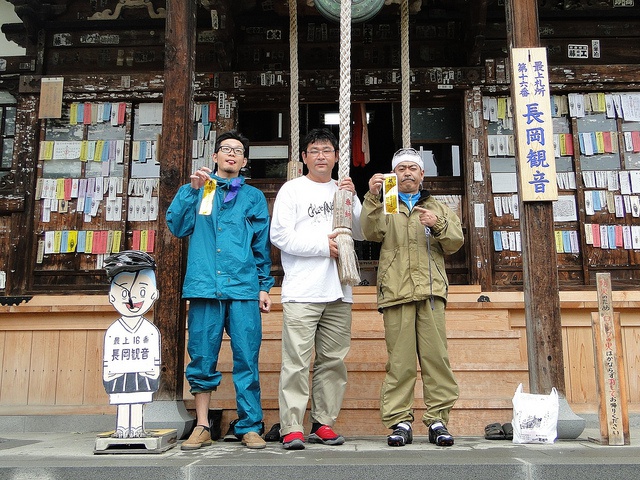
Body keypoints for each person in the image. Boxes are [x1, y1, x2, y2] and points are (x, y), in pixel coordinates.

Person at [167, 130, 274, 450]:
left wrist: (264, 286)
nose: (231, 154)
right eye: (225, 149)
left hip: (243, 288)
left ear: (244, 161)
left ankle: (250, 424)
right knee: (201, 357)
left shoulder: (252, 197)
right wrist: (191, 190)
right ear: (214, 157)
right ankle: (201, 425)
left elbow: (260, 245)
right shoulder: (201, 190)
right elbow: (178, 226)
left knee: (246, 357)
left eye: (238, 151)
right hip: (204, 286)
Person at [361, 147, 464, 447]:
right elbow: (369, 232)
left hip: (431, 292)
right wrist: (371, 196)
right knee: (400, 363)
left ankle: (438, 421)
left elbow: (456, 242)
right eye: (401, 168)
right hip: (396, 291)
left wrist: (438, 224)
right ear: (395, 173)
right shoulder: (387, 203)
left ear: (422, 174)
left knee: (437, 360)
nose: (407, 173)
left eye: (412, 168)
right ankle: (400, 421)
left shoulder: (437, 207)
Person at [270, 128, 363, 450]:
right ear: (305, 158)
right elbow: (280, 236)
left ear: (337, 157)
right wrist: (324, 247)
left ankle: (323, 423)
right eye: (315, 150)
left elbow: (363, 233)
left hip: (339, 290)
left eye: (327, 150)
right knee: (296, 361)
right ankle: (292, 426)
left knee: (333, 361)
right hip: (302, 290)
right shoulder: (292, 190)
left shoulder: (343, 189)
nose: (321, 156)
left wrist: (354, 199)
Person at [102, 250, 161, 439]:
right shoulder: (113, 331)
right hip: (119, 376)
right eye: (123, 292)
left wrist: (154, 372)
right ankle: (121, 428)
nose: (131, 299)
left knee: (137, 401)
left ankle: (136, 428)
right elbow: (108, 358)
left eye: (141, 291)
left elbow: (155, 358)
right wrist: (108, 374)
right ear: (111, 296)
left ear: (154, 294)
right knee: (123, 400)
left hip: (142, 375)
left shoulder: (150, 331)